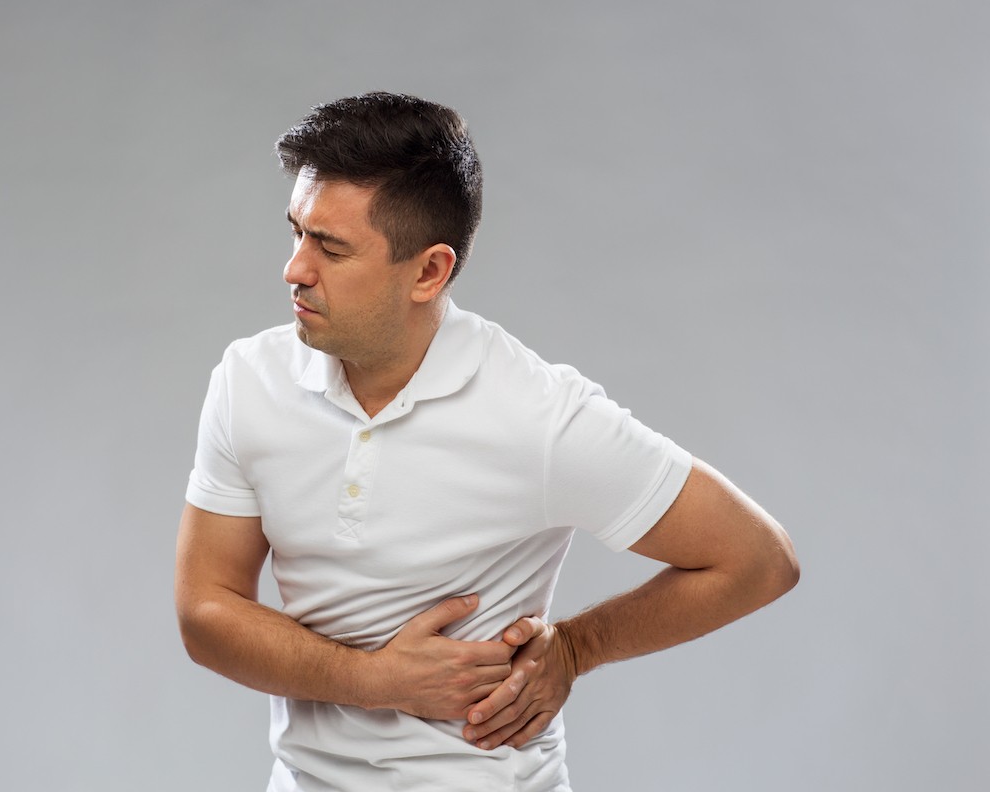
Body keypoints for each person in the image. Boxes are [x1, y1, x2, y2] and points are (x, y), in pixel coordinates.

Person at [174, 91, 799, 791]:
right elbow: (206, 609)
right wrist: (371, 679)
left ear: (430, 271)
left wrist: (577, 647)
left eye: (331, 247)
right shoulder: (248, 380)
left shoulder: (537, 414)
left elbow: (757, 560)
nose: (295, 269)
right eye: (296, 232)